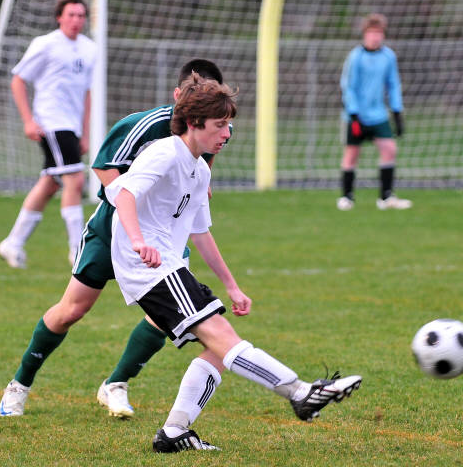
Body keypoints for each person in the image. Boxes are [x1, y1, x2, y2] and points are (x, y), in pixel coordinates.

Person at [105, 73, 361, 452]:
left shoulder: (200, 170)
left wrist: (232, 285)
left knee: (218, 350)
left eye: (229, 125)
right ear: (194, 123)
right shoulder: (165, 152)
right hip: (149, 268)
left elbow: (201, 233)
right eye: (220, 125)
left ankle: (174, 432)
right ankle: (300, 392)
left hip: (167, 266)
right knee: (224, 338)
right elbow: (123, 192)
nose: (227, 134)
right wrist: (139, 241)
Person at [0, 60, 227, 419]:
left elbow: (198, 176)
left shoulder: (216, 128)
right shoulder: (146, 124)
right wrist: (135, 218)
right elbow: (104, 167)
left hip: (166, 235)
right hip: (112, 229)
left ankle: (116, 383)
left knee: (165, 316)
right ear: (178, 95)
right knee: (72, 310)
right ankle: (19, 385)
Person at [0, 0, 97, 267]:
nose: (76, 20)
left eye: (81, 15)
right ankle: (77, 250)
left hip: (71, 126)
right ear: (59, 17)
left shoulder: (89, 49)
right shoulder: (45, 44)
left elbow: (86, 93)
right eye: (71, 14)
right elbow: (18, 80)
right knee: (75, 180)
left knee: (51, 183)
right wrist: (28, 121)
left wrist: (85, 133)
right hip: (51, 121)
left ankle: (13, 243)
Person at [337, 13, 412, 211]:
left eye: (378, 33)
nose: (375, 37)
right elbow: (348, 87)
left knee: (390, 149)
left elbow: (393, 85)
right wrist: (354, 115)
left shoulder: (388, 56)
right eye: (371, 33)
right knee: (352, 154)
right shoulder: (356, 57)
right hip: (356, 115)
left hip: (378, 114)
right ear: (364, 34)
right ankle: (346, 197)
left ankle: (386, 197)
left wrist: (397, 113)